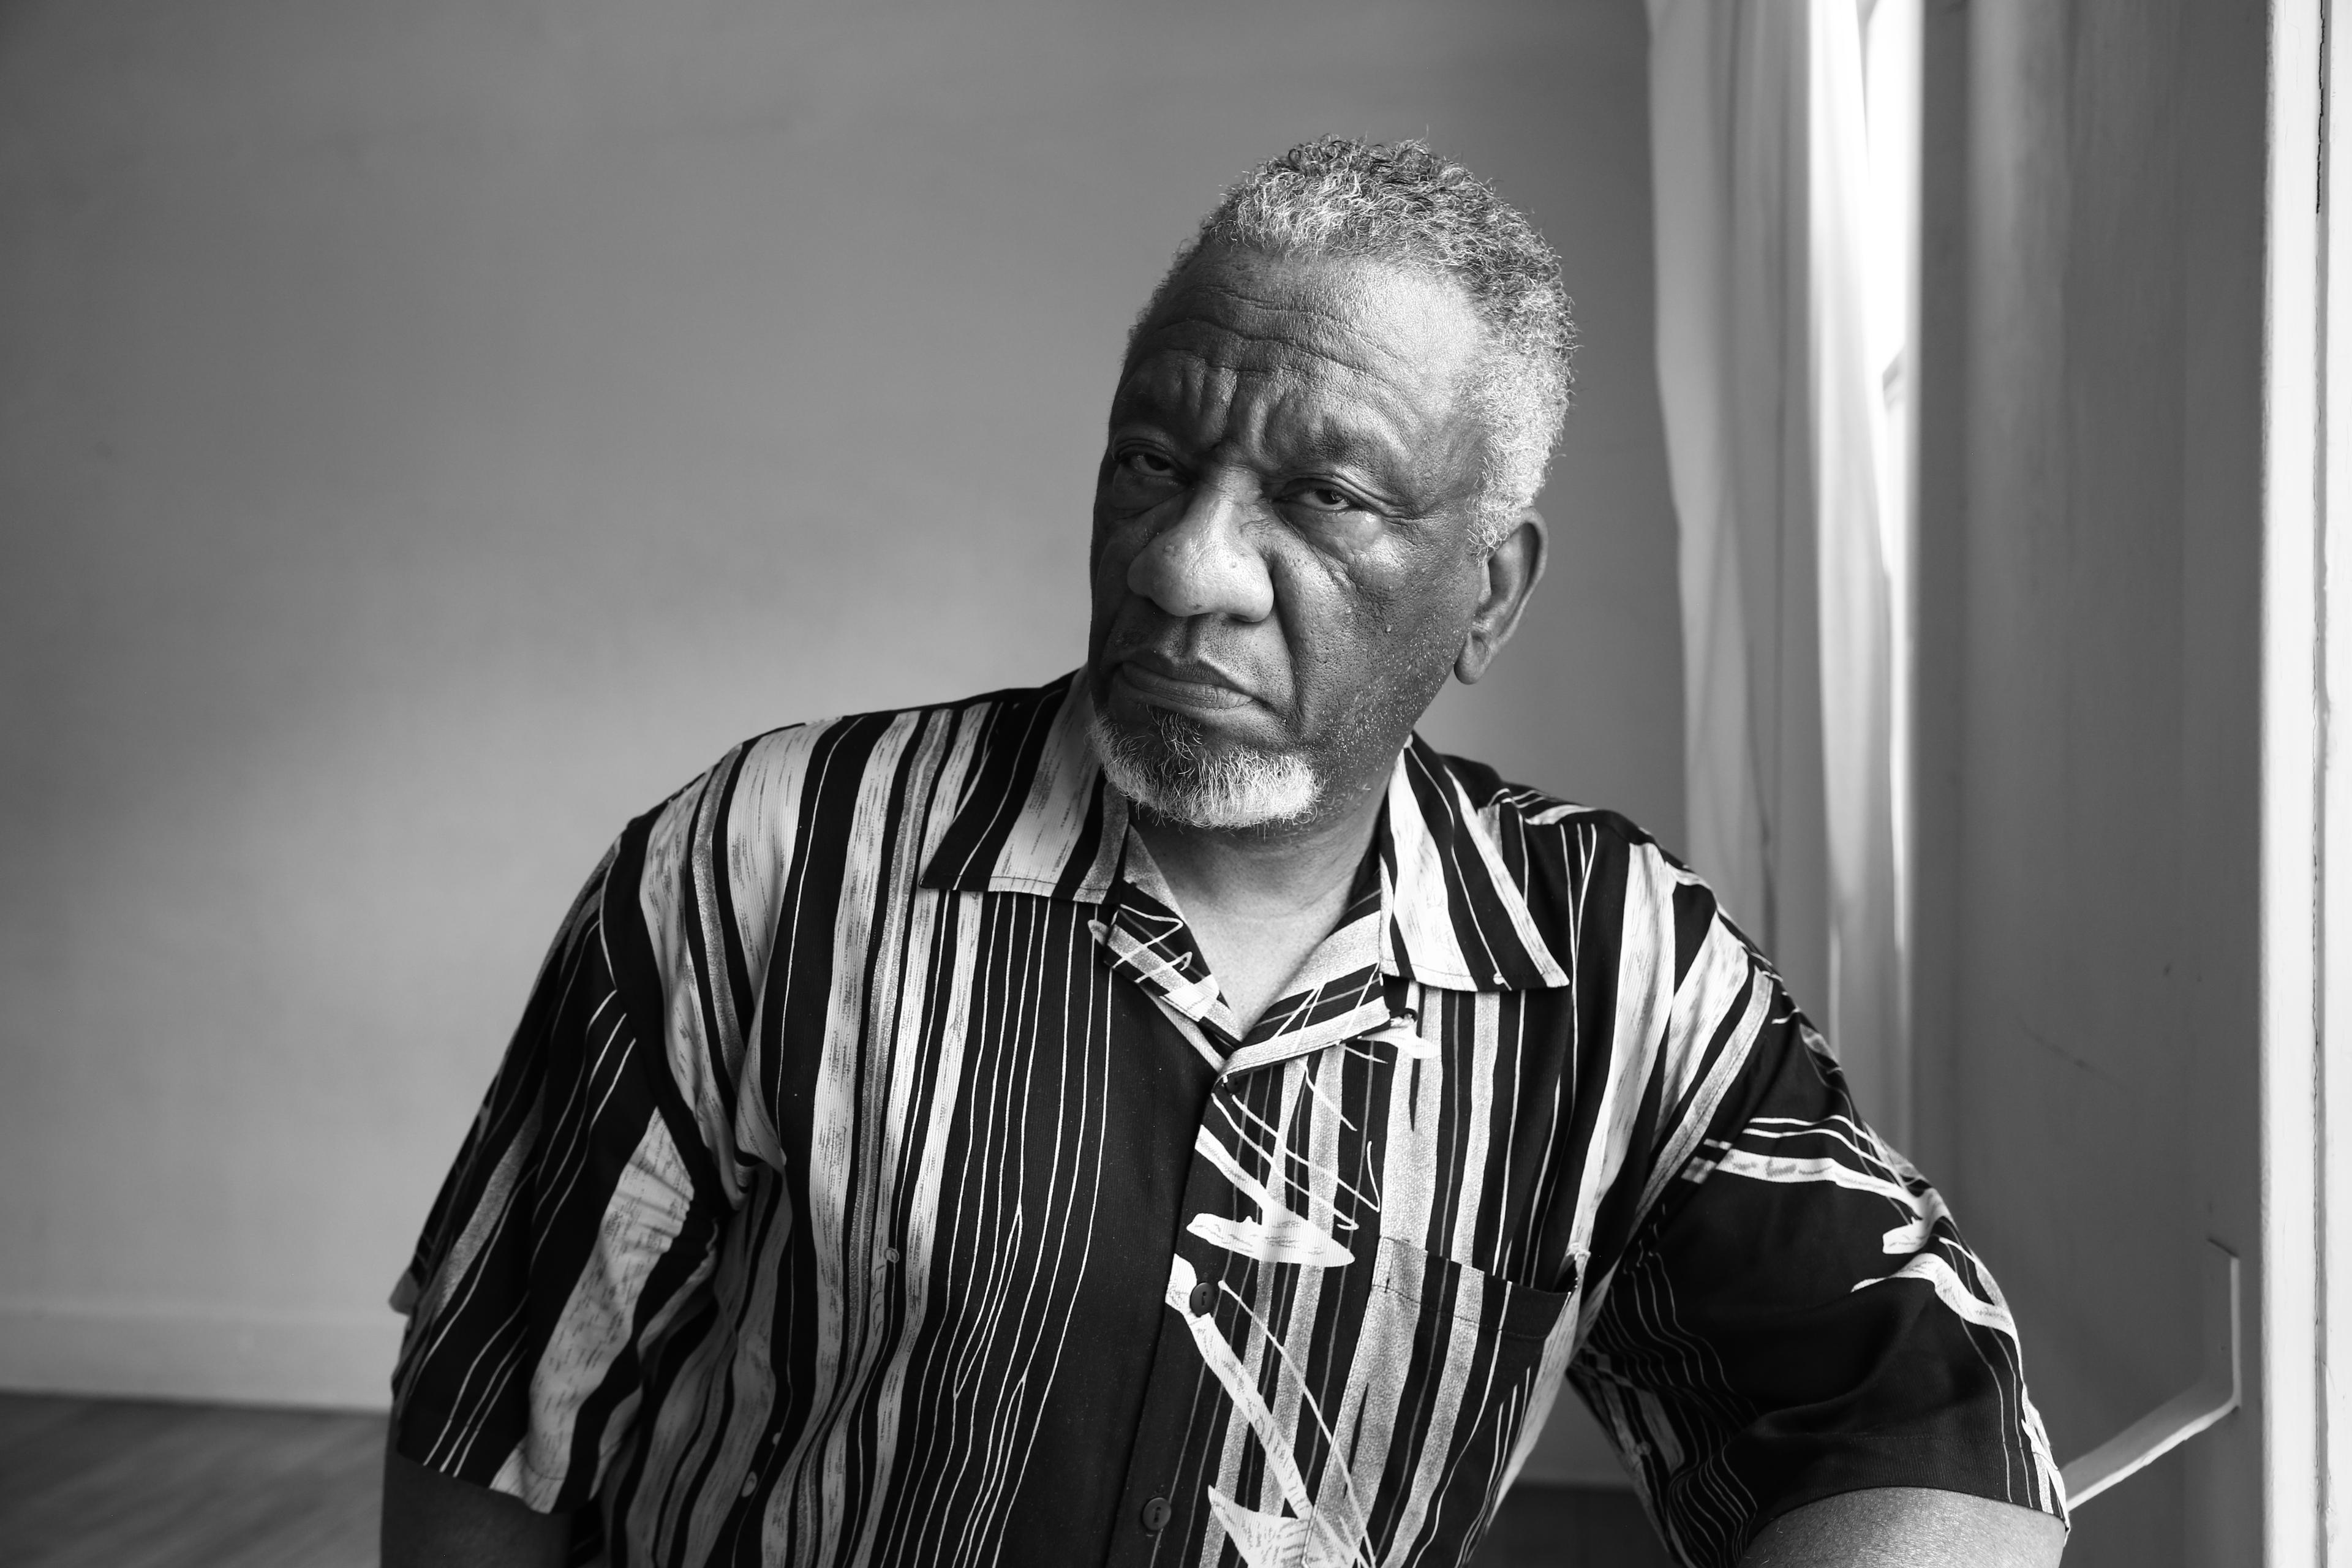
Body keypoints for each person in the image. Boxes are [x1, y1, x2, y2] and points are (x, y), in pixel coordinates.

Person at [381, 137, 2067, 1568]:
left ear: (1487, 595)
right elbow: (502, 1418)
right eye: (1152, 461)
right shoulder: (763, 862)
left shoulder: (1614, 970)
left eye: (1326, 498)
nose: (1189, 568)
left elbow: (1920, 1407)